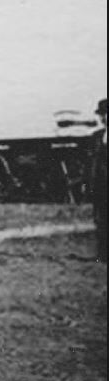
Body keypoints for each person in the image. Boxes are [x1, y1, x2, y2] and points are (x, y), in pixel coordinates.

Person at [88, 98, 107, 263]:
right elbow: (92, 162)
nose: (104, 118)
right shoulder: (97, 136)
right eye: (102, 114)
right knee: (101, 219)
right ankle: (103, 255)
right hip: (100, 185)